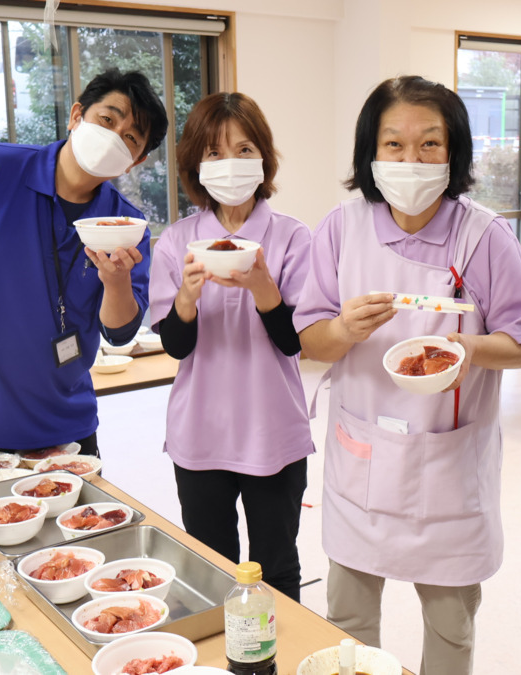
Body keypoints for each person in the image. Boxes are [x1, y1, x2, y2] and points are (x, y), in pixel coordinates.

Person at [293, 75, 521, 675]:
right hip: (362, 463)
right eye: (394, 144)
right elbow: (308, 338)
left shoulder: (482, 235)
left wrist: (468, 350)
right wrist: (345, 329)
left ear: (453, 152)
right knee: (348, 626)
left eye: (430, 144)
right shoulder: (341, 228)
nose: (412, 159)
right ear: (370, 153)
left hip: (449, 468)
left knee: (450, 629)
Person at [0, 68, 168, 469]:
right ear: (77, 116)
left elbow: (119, 331)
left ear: (135, 161)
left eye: (130, 137)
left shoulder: (125, 226)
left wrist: (115, 280)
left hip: (63, 424)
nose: (113, 137)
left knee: (79, 531)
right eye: (107, 120)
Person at [147, 92, 312, 602]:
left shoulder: (292, 238)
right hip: (201, 433)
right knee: (210, 568)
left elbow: (294, 342)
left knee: (277, 568)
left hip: (274, 431)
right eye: (214, 153)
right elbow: (176, 347)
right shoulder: (177, 242)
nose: (231, 164)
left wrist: (265, 289)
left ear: (263, 159)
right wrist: (188, 298)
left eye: (244, 149)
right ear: (197, 164)